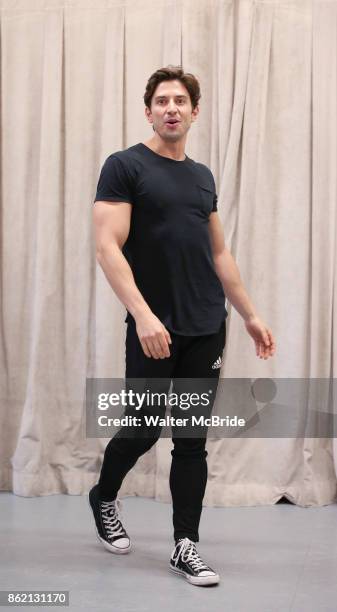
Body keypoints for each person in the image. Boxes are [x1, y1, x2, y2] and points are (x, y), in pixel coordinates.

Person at [90, 65, 276, 587]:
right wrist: (144, 314)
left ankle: (186, 545)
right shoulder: (124, 166)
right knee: (143, 427)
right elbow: (108, 247)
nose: (172, 108)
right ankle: (103, 497)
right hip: (155, 329)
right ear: (147, 110)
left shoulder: (202, 177)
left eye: (181, 101)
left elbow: (219, 252)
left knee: (191, 440)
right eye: (162, 100)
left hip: (205, 328)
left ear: (195, 111)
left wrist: (250, 315)